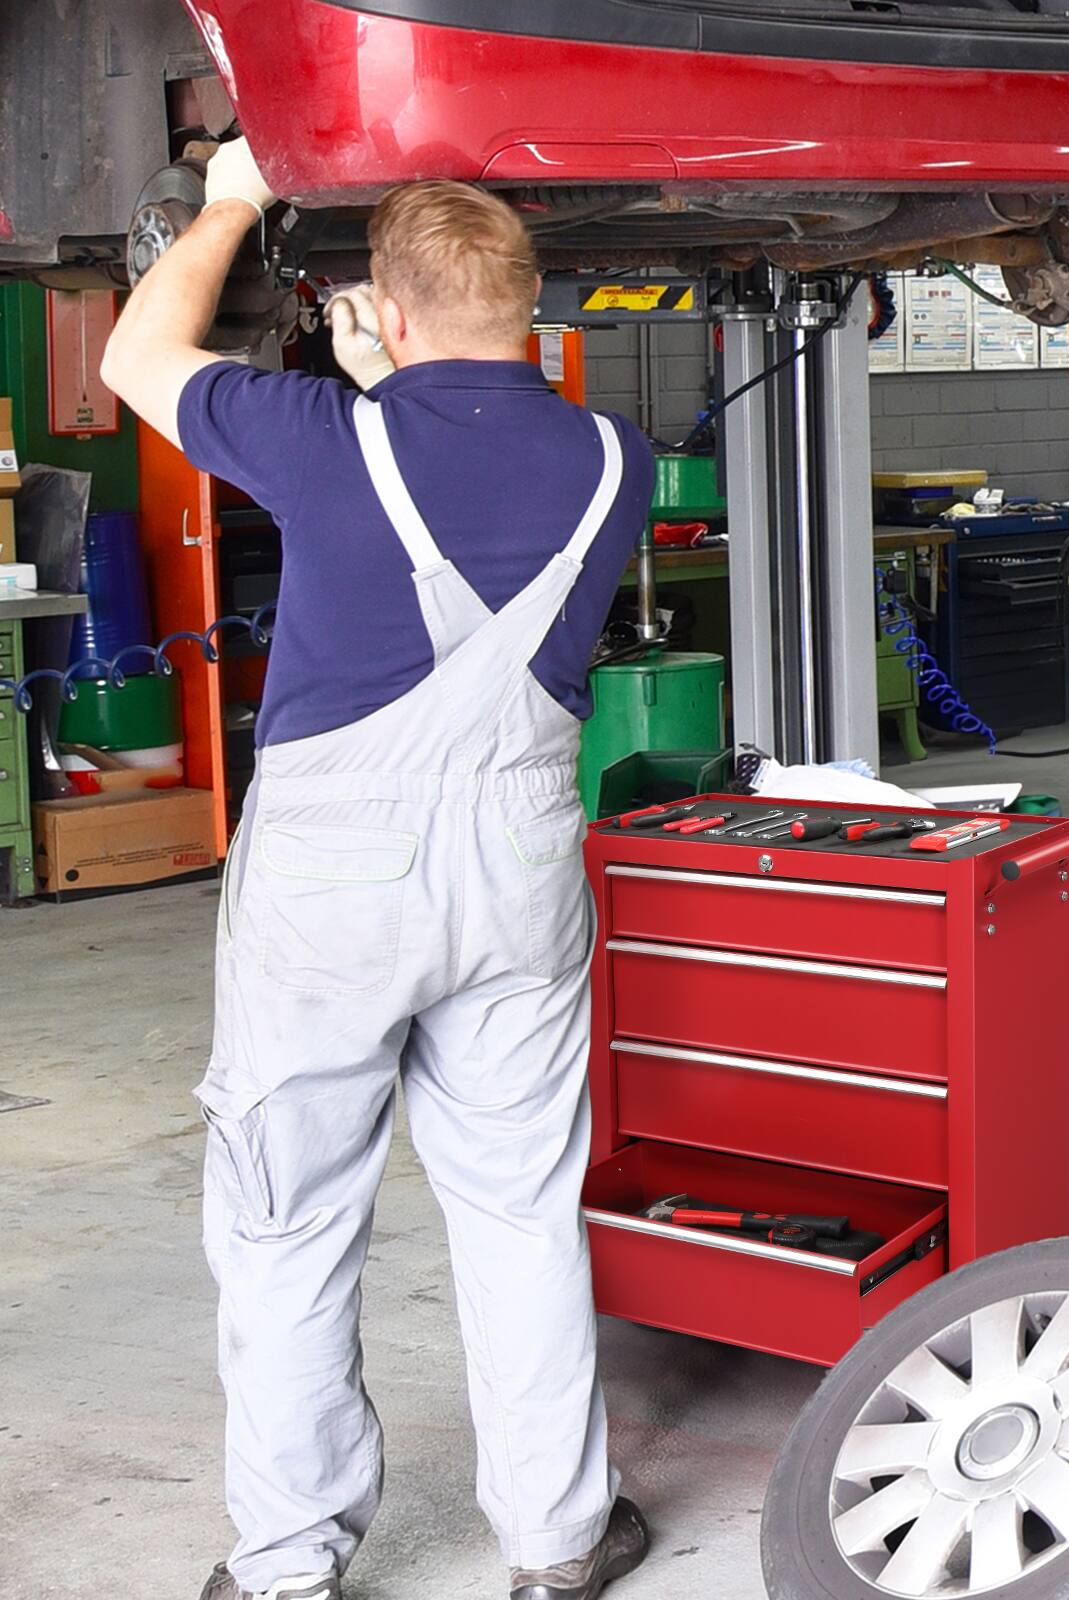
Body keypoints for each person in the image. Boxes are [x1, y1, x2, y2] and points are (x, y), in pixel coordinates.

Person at [100, 138, 655, 1600]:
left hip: (337, 879)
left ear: (386, 317)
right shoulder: (617, 457)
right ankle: (557, 1540)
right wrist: (383, 383)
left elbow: (139, 350)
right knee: (520, 1204)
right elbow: (470, 467)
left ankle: (288, 1564)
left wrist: (230, 198)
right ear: (533, 311)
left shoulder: (323, 438)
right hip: (521, 858)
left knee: (289, 1218)